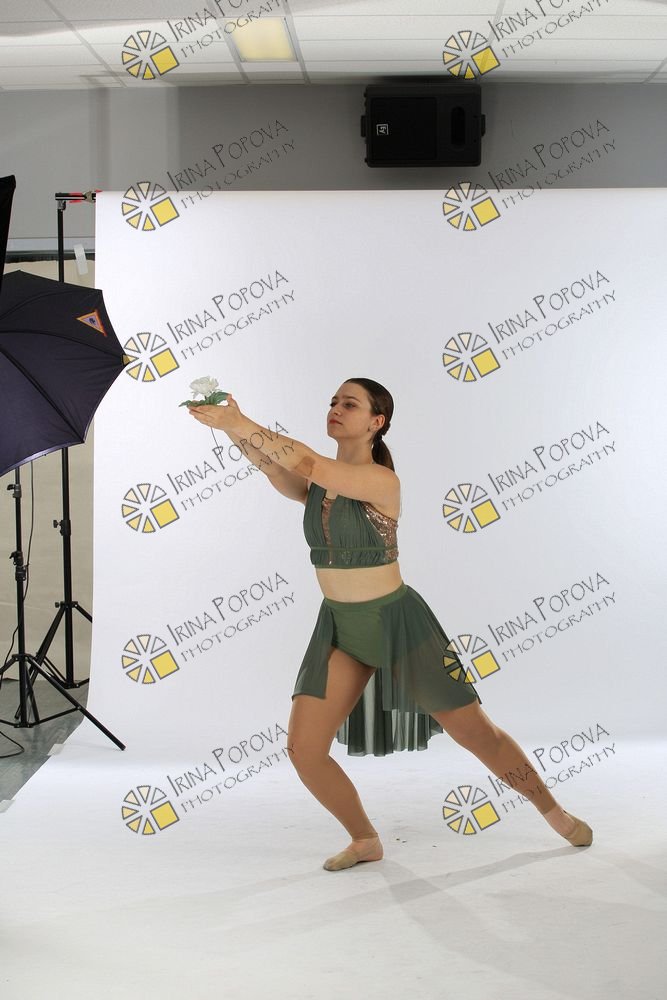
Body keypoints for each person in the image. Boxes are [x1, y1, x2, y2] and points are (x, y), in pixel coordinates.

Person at [188, 377, 593, 871]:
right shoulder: (317, 485)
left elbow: (307, 462)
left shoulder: (382, 482)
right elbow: (274, 465)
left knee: (477, 734)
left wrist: (240, 421)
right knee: (304, 750)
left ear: (376, 423)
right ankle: (365, 840)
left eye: (350, 403)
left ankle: (555, 814)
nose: (336, 408)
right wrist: (229, 427)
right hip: (340, 627)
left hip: (398, 625)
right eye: (333, 401)